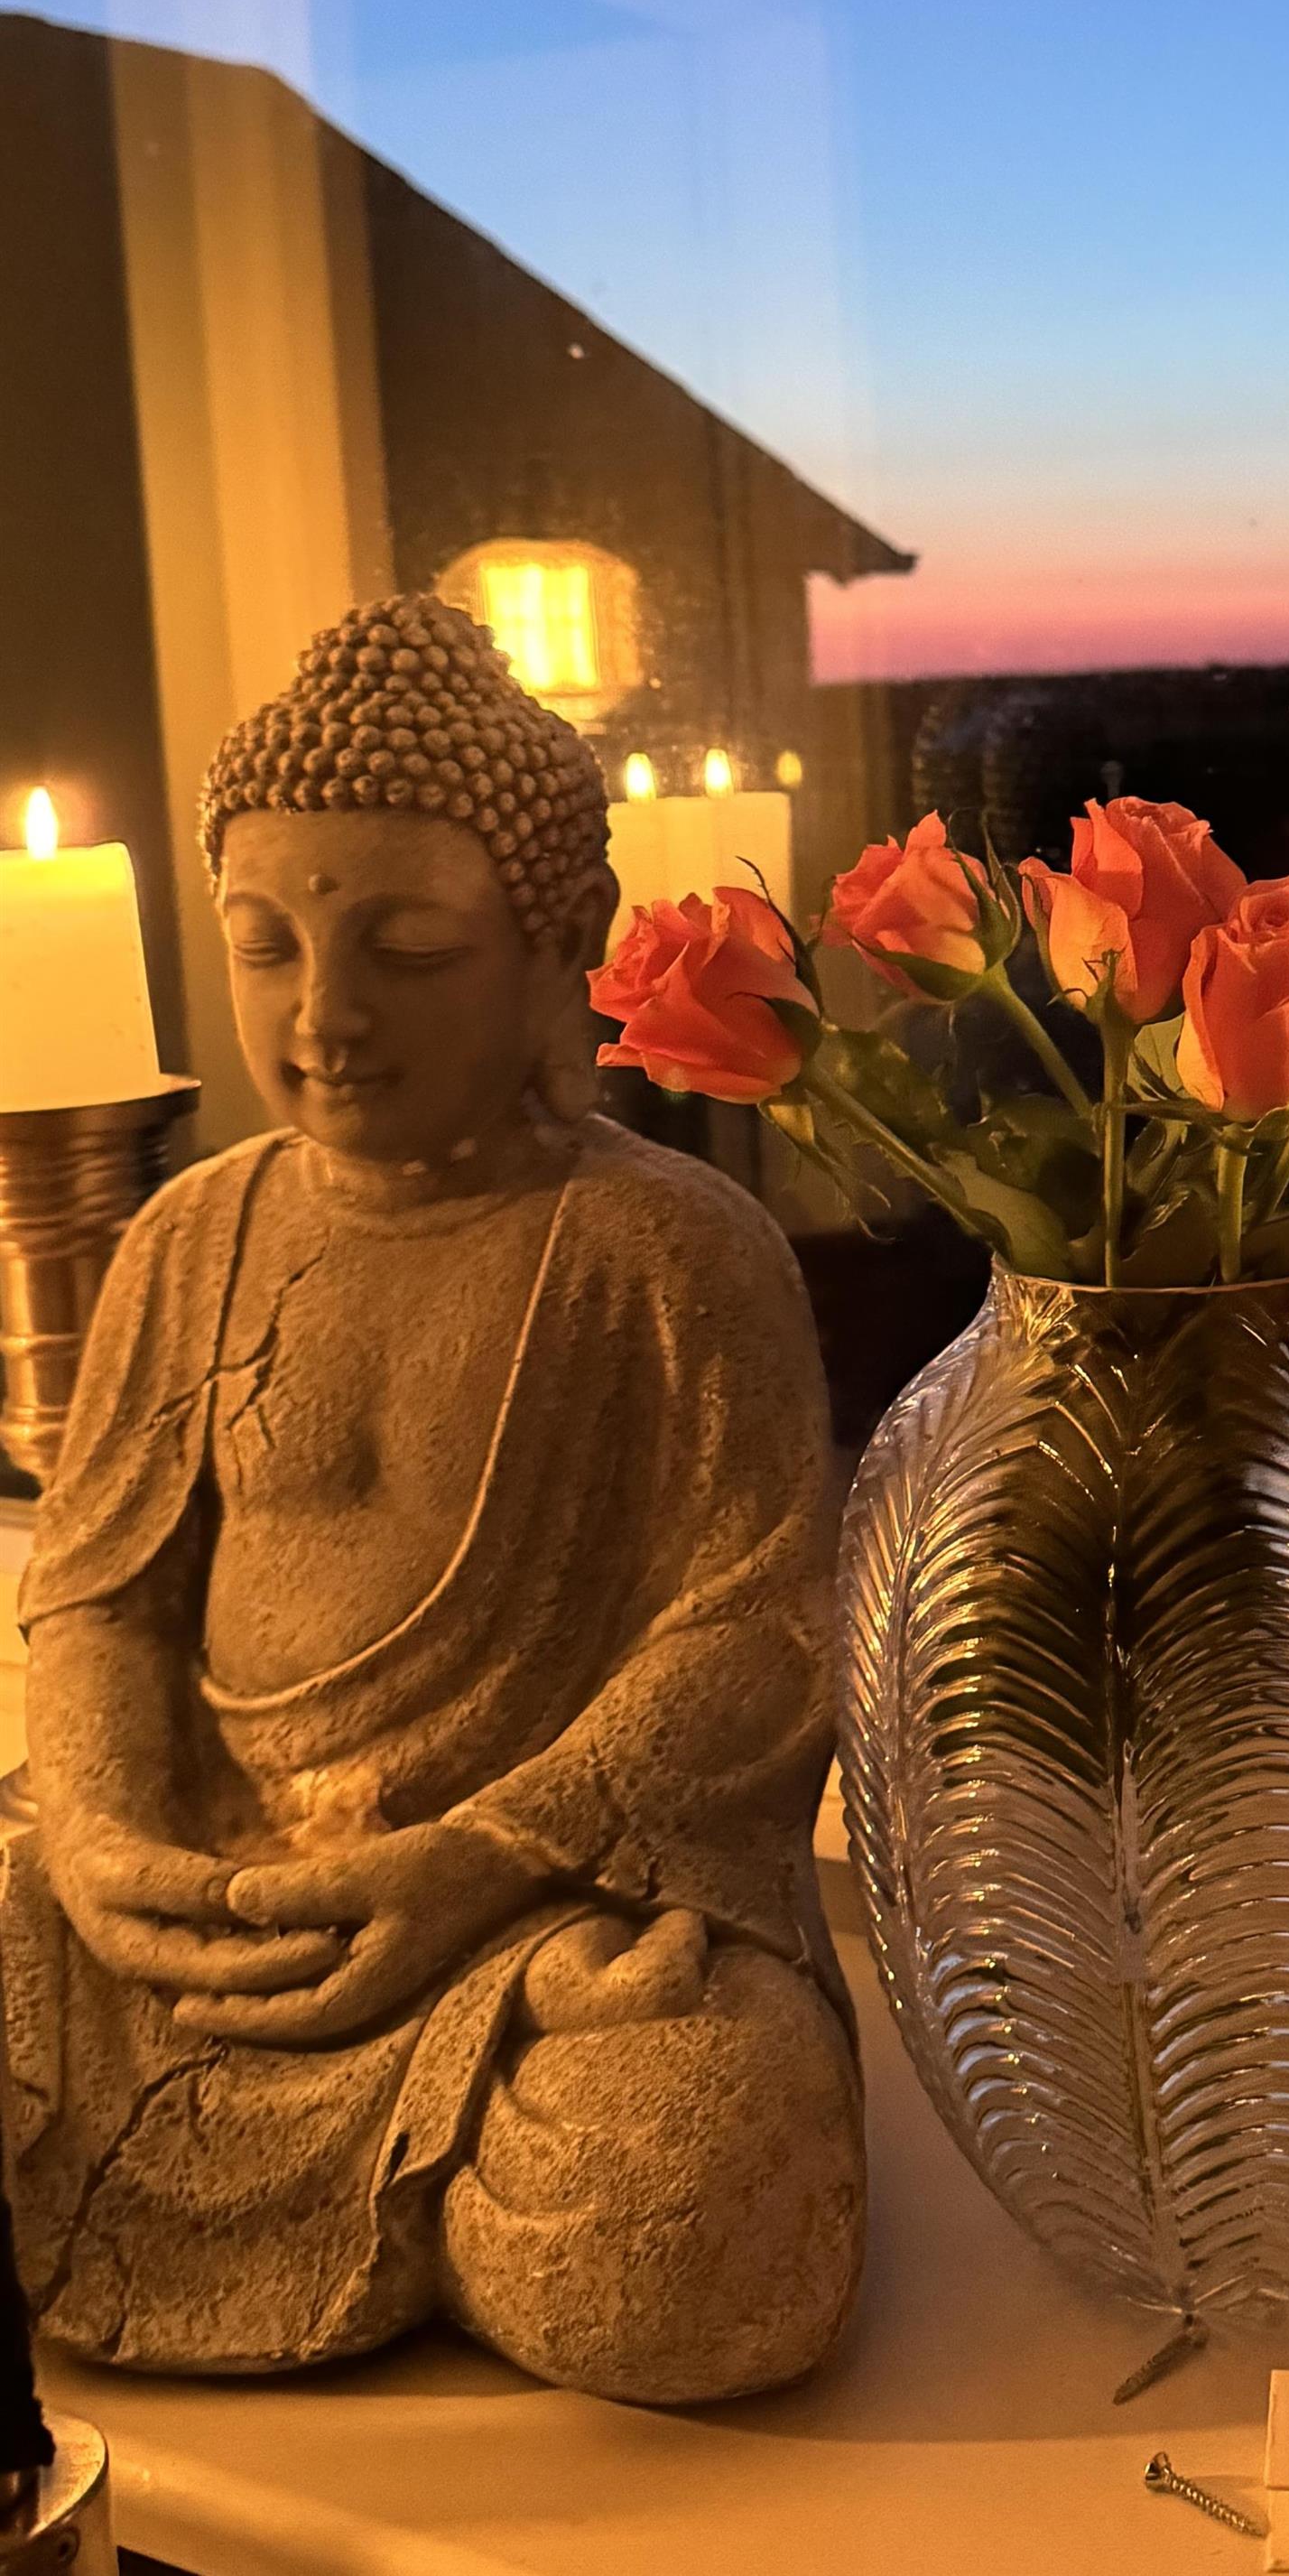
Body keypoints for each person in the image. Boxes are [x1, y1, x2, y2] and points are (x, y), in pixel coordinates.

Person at [5, 596, 863, 2403]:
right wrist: (98, 1841)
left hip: (536, 1925)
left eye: (408, 948)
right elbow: (98, 1593)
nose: (327, 1016)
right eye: (265, 946)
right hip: (213, 1894)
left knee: (689, 2193)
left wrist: (485, 1859)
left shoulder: (669, 1246)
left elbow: (763, 1631)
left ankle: (475, 2180)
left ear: (561, 947)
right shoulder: (190, 1237)